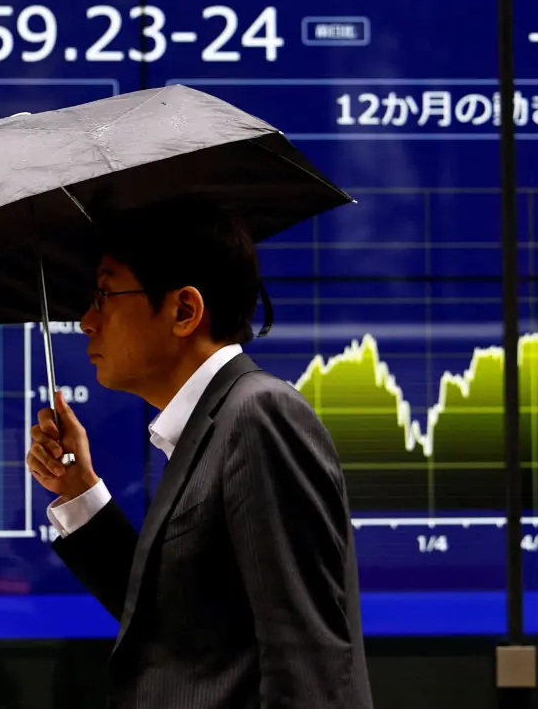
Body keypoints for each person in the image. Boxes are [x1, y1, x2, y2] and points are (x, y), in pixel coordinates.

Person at [27, 198, 373, 709]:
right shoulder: (216, 425)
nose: (85, 321)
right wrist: (80, 494)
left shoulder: (258, 416)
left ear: (184, 311)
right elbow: (177, 632)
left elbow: (308, 664)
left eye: (104, 295)